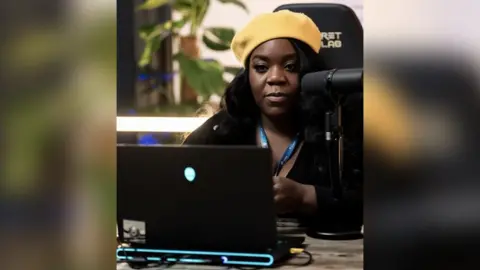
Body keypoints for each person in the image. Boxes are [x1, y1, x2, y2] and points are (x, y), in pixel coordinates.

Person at [183, 10, 362, 233]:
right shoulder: (221, 130)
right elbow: (178, 188)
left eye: (290, 67)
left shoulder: (340, 127)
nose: (276, 77)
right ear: (247, 76)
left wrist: (306, 196)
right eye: (261, 67)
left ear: (309, 72)